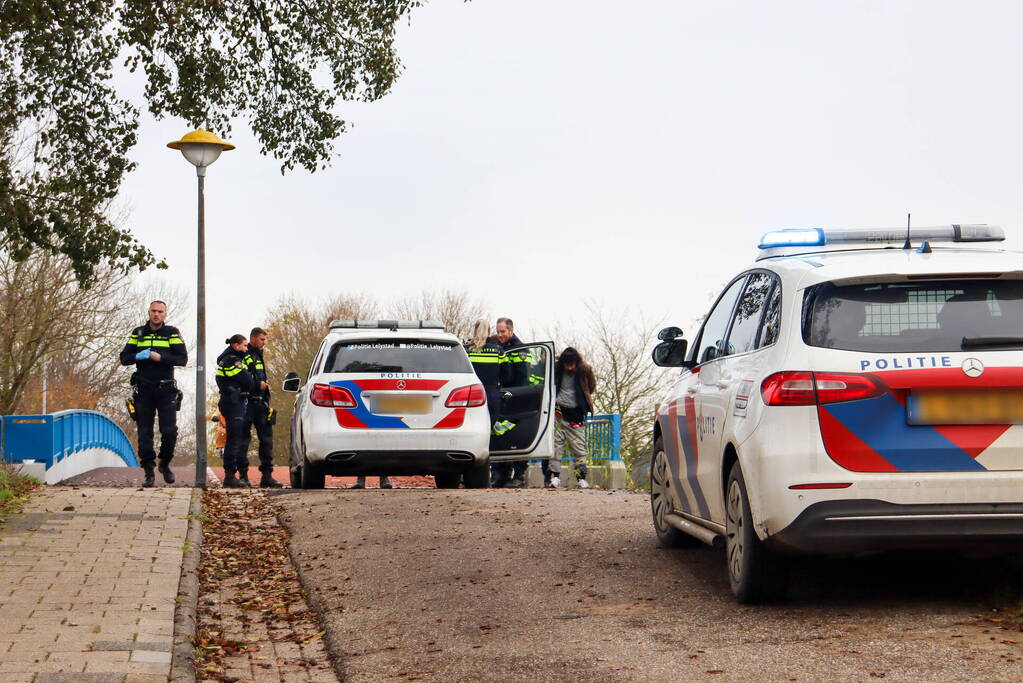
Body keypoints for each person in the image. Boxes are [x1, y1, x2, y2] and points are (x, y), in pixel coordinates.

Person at [119, 300, 187, 487]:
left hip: (166, 390)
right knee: (144, 432)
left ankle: (164, 463)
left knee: (169, 431)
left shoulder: (171, 332)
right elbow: (124, 358)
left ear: (165, 314)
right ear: (148, 312)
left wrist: (161, 358)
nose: (156, 314)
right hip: (144, 389)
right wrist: (137, 356)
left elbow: (182, 359)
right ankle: (148, 471)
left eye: (160, 311)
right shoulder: (138, 333)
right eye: (154, 311)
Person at [546, 346, 596, 488]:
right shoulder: (557, 369)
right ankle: (555, 477)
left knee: (578, 448)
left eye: (571, 365)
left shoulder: (585, 370)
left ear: (576, 363)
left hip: (576, 413)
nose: (569, 368)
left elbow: (591, 387)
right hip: (559, 412)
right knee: (556, 446)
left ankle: (581, 478)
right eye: (566, 365)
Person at [490, 317, 529, 488]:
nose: (500, 335)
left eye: (503, 331)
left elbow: (522, 376)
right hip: (501, 397)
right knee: (500, 434)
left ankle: (519, 475)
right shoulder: (499, 347)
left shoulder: (519, 349)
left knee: (518, 437)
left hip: (516, 397)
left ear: (511, 331)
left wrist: (514, 394)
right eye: (498, 331)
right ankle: (500, 473)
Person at [241, 327, 282, 488]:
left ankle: (267, 476)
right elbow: (243, 378)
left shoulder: (259, 355)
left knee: (266, 440)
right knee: (243, 440)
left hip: (261, 403)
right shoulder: (245, 354)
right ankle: (243, 475)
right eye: (262, 340)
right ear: (253, 339)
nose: (264, 343)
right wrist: (258, 385)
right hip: (247, 403)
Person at [216, 334, 255, 488]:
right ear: (237, 345)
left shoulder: (228, 359)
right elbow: (247, 380)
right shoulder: (233, 360)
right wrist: (248, 381)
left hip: (233, 401)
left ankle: (232, 475)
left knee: (236, 438)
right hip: (233, 402)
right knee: (234, 439)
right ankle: (230, 476)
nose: (246, 349)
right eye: (245, 346)